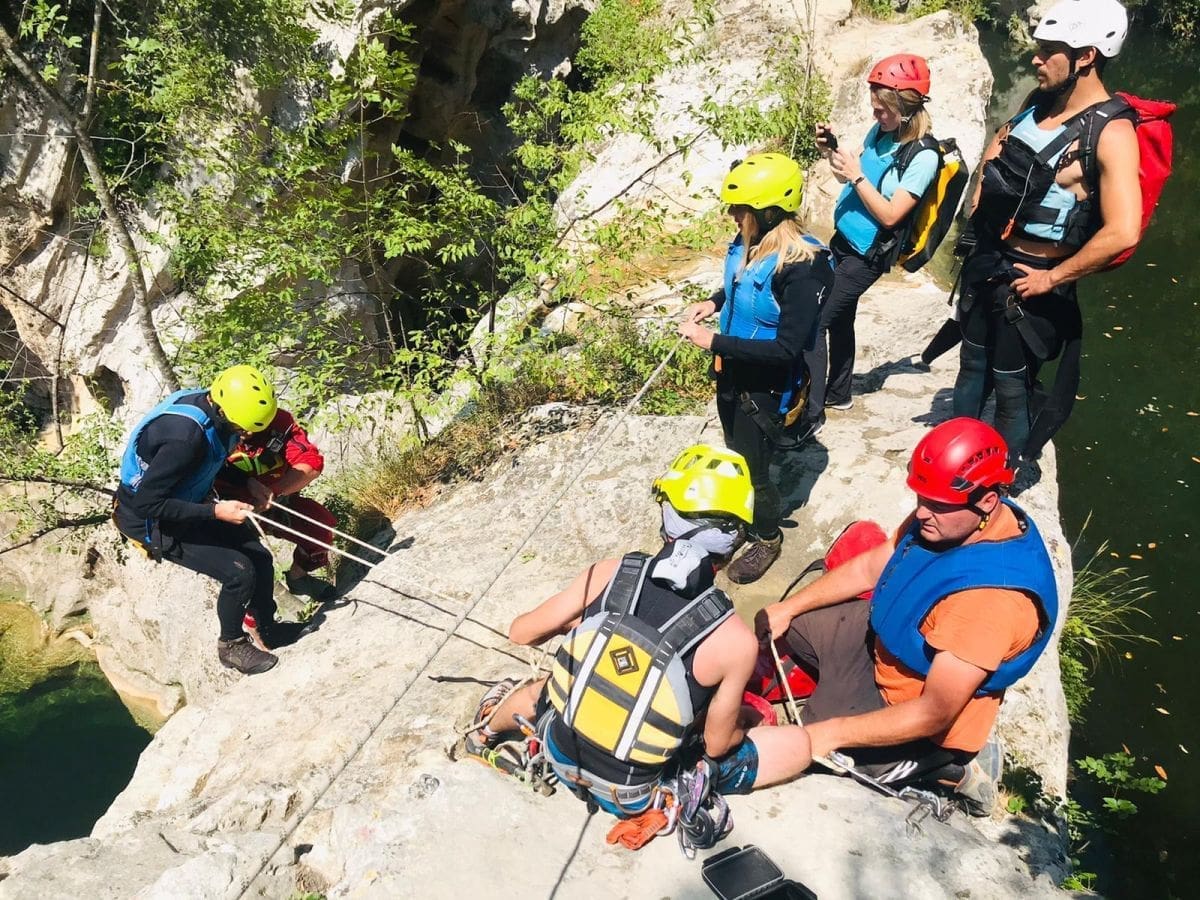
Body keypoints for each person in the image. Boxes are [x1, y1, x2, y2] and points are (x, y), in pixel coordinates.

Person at [466, 445, 811, 820]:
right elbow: (716, 744)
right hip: (629, 794)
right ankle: (685, 788)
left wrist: (583, 625)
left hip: (559, 747)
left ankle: (483, 735)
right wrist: (744, 721)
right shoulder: (734, 640)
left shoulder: (609, 573)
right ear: (734, 541)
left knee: (545, 688)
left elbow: (521, 633)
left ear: (667, 516)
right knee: (798, 743)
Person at [755, 418, 1059, 814]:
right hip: (889, 647)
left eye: (935, 505)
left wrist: (828, 733)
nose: (921, 513)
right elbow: (869, 569)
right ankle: (833, 695)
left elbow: (934, 712)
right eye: (920, 497)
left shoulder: (989, 603)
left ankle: (949, 768)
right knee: (788, 630)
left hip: (913, 705)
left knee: (809, 754)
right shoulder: (950, 519)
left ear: (987, 500)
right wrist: (787, 608)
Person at [953, 0, 1140, 467]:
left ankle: (1003, 478)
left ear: (1086, 56)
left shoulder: (1111, 132)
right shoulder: (1037, 102)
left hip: (1035, 281)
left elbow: (1122, 230)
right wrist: (979, 208)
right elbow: (1000, 148)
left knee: (1012, 388)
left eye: (1049, 50)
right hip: (989, 263)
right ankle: (955, 456)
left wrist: (1052, 280)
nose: (1035, 59)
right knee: (971, 366)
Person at [679, 153, 834, 584]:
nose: (732, 216)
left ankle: (766, 535)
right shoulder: (753, 243)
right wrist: (714, 302)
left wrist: (712, 341)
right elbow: (743, 285)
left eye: (740, 210)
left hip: (765, 388)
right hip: (732, 371)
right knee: (735, 452)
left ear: (767, 213)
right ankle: (742, 514)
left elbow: (788, 348)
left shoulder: (805, 268)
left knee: (753, 469)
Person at [113, 364, 308, 675]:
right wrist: (215, 511)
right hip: (151, 520)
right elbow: (148, 502)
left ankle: (268, 628)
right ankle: (230, 646)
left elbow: (212, 457)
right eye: (243, 429)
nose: (247, 435)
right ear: (226, 412)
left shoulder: (215, 410)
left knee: (259, 556)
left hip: (187, 501)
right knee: (238, 572)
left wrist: (249, 483)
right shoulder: (183, 439)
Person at [799, 54, 940, 436]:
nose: (876, 115)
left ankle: (811, 415)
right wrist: (832, 152)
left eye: (883, 110)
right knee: (840, 320)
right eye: (874, 108)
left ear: (906, 108)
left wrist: (857, 177)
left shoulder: (923, 156)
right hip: (843, 241)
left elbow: (893, 214)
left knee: (815, 323)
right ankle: (839, 392)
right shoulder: (881, 133)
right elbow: (849, 176)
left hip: (868, 256)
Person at [215, 406, 338, 602]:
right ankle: (260, 625)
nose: (246, 434)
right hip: (229, 515)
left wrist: (275, 492)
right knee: (246, 569)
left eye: (252, 428)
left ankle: (299, 578)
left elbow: (310, 463)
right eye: (240, 428)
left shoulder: (277, 425)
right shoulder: (211, 436)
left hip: (274, 502)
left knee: (320, 529)